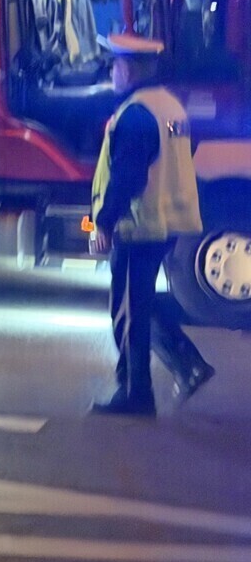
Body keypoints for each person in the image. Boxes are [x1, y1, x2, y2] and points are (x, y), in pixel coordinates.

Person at [88, 33, 214, 416]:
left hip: (138, 224)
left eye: (116, 64)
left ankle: (135, 393)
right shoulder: (170, 107)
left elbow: (128, 177)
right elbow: (182, 151)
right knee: (140, 303)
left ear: (132, 69)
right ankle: (186, 364)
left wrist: (104, 223)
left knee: (127, 310)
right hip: (169, 222)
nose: (112, 70)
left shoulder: (136, 114)